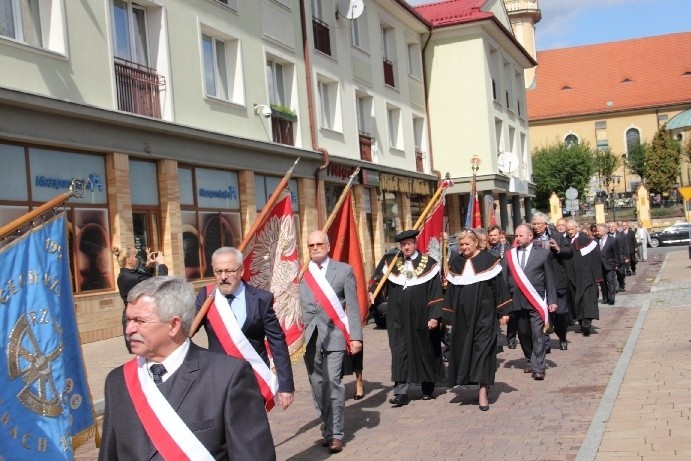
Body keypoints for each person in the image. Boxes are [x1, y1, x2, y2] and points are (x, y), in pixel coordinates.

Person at [99, 276, 275, 461]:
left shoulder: (227, 376)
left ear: (174, 325)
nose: (128, 330)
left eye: (140, 321)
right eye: (128, 320)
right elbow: (110, 454)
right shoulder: (118, 380)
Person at [194, 247, 294, 410]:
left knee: (252, 432)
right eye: (218, 271)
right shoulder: (206, 296)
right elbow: (187, 331)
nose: (223, 277)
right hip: (219, 380)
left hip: (253, 378)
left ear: (241, 270)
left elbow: (277, 343)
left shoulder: (261, 299)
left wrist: (286, 385)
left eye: (229, 271)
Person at [300, 231, 363, 453]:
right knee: (317, 385)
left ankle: (337, 434)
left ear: (327, 246)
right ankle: (327, 428)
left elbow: (353, 306)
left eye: (319, 244)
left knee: (333, 382)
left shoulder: (343, 270)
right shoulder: (301, 273)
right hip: (309, 338)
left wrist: (355, 336)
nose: (315, 248)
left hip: (335, 335)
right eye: (311, 245)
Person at [370, 229, 444, 406]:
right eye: (403, 245)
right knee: (399, 350)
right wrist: (372, 292)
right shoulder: (391, 262)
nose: (406, 247)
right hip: (397, 316)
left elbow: (435, 293)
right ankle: (401, 391)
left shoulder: (429, 263)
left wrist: (434, 316)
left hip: (422, 315)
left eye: (409, 243)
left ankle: (427, 387)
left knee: (424, 348)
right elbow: (377, 282)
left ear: (415, 243)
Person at [443, 229, 513, 411]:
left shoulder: (489, 260)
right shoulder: (456, 262)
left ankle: (483, 391)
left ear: (476, 243)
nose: (464, 247)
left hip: (485, 314)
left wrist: (503, 312)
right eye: (461, 244)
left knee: (483, 349)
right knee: (466, 349)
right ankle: (470, 382)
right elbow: (450, 291)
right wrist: (448, 315)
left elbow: (500, 288)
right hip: (462, 316)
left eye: (467, 244)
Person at [502, 224, 557, 380]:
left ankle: (539, 367)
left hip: (536, 301)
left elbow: (550, 279)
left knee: (538, 333)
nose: (517, 239)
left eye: (521, 236)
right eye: (516, 236)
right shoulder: (509, 255)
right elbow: (504, 281)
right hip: (517, 301)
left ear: (530, 236)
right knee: (524, 333)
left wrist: (552, 299)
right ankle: (529, 359)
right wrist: (505, 305)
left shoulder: (543, 254)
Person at [113, 246, 168, 353]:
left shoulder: (127, 275)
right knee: (146, 351)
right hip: (137, 319)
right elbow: (160, 283)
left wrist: (150, 264)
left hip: (137, 317)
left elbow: (143, 276)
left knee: (147, 351)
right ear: (129, 261)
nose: (137, 259)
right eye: (135, 256)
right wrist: (161, 264)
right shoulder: (130, 277)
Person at [565, 220, 602, 337]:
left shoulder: (587, 241)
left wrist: (597, 276)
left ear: (577, 228)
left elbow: (595, 260)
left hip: (586, 276)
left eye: (572, 229)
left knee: (587, 299)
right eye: (568, 229)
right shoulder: (564, 241)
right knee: (576, 300)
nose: (570, 232)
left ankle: (587, 323)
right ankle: (581, 323)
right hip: (571, 276)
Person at [542, 218, 573, 351]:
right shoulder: (530, 238)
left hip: (557, 281)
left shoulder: (557, 236)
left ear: (546, 225)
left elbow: (569, 252)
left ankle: (562, 337)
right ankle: (545, 343)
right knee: (543, 314)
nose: (537, 226)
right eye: (534, 224)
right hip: (540, 282)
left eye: (539, 223)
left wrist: (557, 248)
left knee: (560, 313)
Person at [596, 223, 621, 306]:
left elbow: (616, 253)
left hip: (610, 264)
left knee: (610, 282)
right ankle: (605, 298)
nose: (597, 232)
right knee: (602, 283)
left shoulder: (612, 240)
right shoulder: (596, 240)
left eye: (598, 231)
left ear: (604, 231)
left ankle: (611, 298)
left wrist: (617, 264)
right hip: (599, 265)